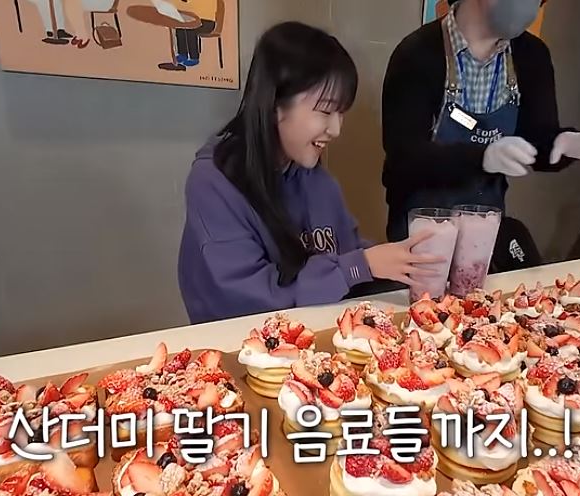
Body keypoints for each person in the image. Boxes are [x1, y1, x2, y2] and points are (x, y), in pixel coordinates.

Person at [178, 22, 440, 324]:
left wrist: (397, 262)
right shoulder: (214, 182)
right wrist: (359, 266)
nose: (336, 129)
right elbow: (250, 299)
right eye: (325, 111)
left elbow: (348, 253)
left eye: (341, 113)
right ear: (275, 105)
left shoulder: (317, 179)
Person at [381, 0, 580, 242]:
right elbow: (405, 158)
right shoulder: (418, 54)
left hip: (484, 225)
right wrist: (482, 158)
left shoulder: (531, 55)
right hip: (420, 225)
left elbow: (537, 143)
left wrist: (566, 143)